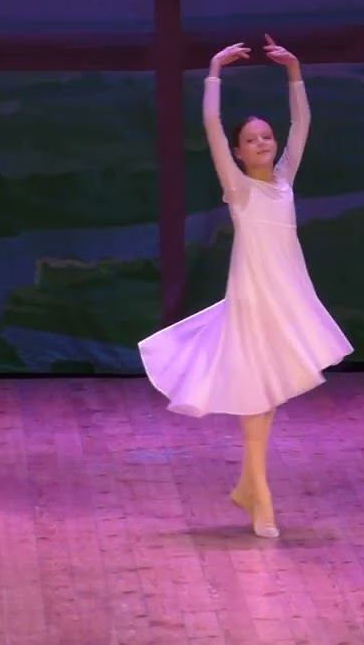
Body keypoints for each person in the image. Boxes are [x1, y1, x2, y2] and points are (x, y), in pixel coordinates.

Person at [139, 35, 352, 539]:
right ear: (237, 153)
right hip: (252, 302)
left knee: (267, 398)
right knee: (257, 399)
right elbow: (211, 125)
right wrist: (213, 70)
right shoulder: (239, 189)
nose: (262, 143)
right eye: (252, 140)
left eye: (266, 137)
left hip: (286, 300)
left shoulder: (284, 181)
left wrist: (294, 73)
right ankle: (262, 498)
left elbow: (302, 124)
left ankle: (247, 487)